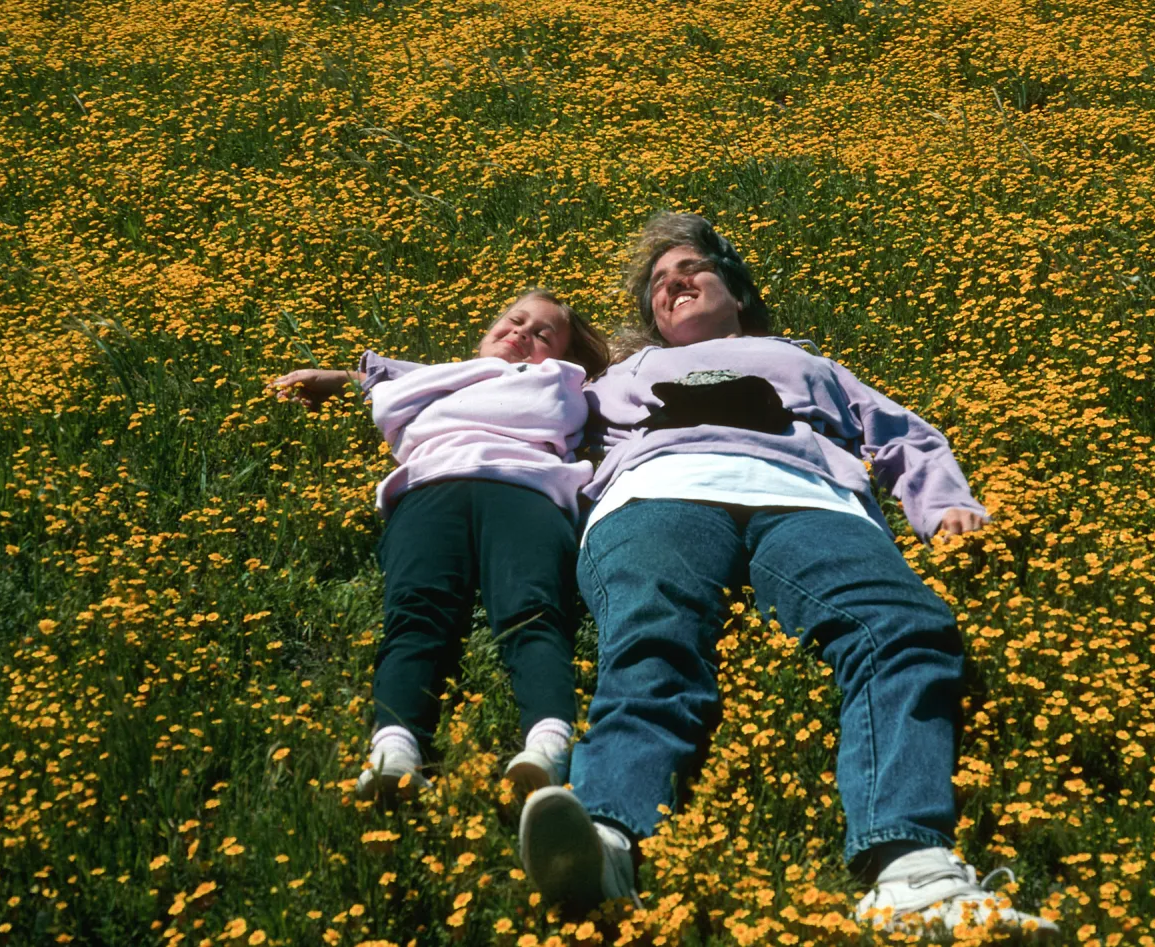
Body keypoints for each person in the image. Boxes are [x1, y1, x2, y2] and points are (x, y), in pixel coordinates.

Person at [516, 215, 1059, 940]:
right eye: (657, 284)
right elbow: (504, 390)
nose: (672, 283)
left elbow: (903, 433)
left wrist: (946, 503)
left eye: (689, 270)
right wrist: (364, 381)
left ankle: (911, 867)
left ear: (736, 292)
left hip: (809, 498)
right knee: (654, 636)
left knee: (904, 627)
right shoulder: (620, 376)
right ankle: (606, 841)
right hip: (657, 493)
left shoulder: (805, 362)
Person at [272, 290, 610, 801]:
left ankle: (547, 744)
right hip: (431, 487)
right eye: (515, 321)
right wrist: (339, 380)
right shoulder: (438, 378)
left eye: (543, 334)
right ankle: (395, 749)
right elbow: (394, 382)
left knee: (534, 610)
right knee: (416, 609)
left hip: (527, 490)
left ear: (564, 358)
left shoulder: (569, 385)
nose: (523, 333)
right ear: (487, 330)